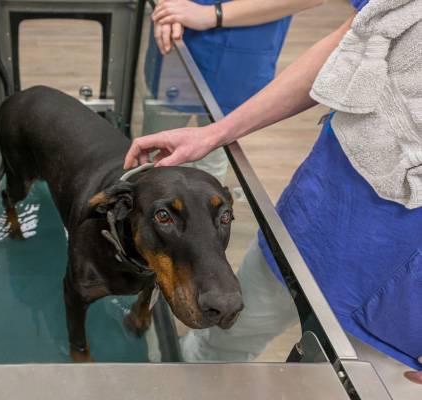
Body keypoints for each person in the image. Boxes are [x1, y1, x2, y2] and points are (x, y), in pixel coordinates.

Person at [126, 0, 422, 386]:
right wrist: (216, 132)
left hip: (404, 306)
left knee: (339, 386)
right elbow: (355, 36)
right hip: (316, 220)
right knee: (225, 339)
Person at [143, 0, 325, 184]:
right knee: (156, 147)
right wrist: (167, 6)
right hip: (176, 37)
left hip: (239, 45)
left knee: (212, 156)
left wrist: (212, 14)